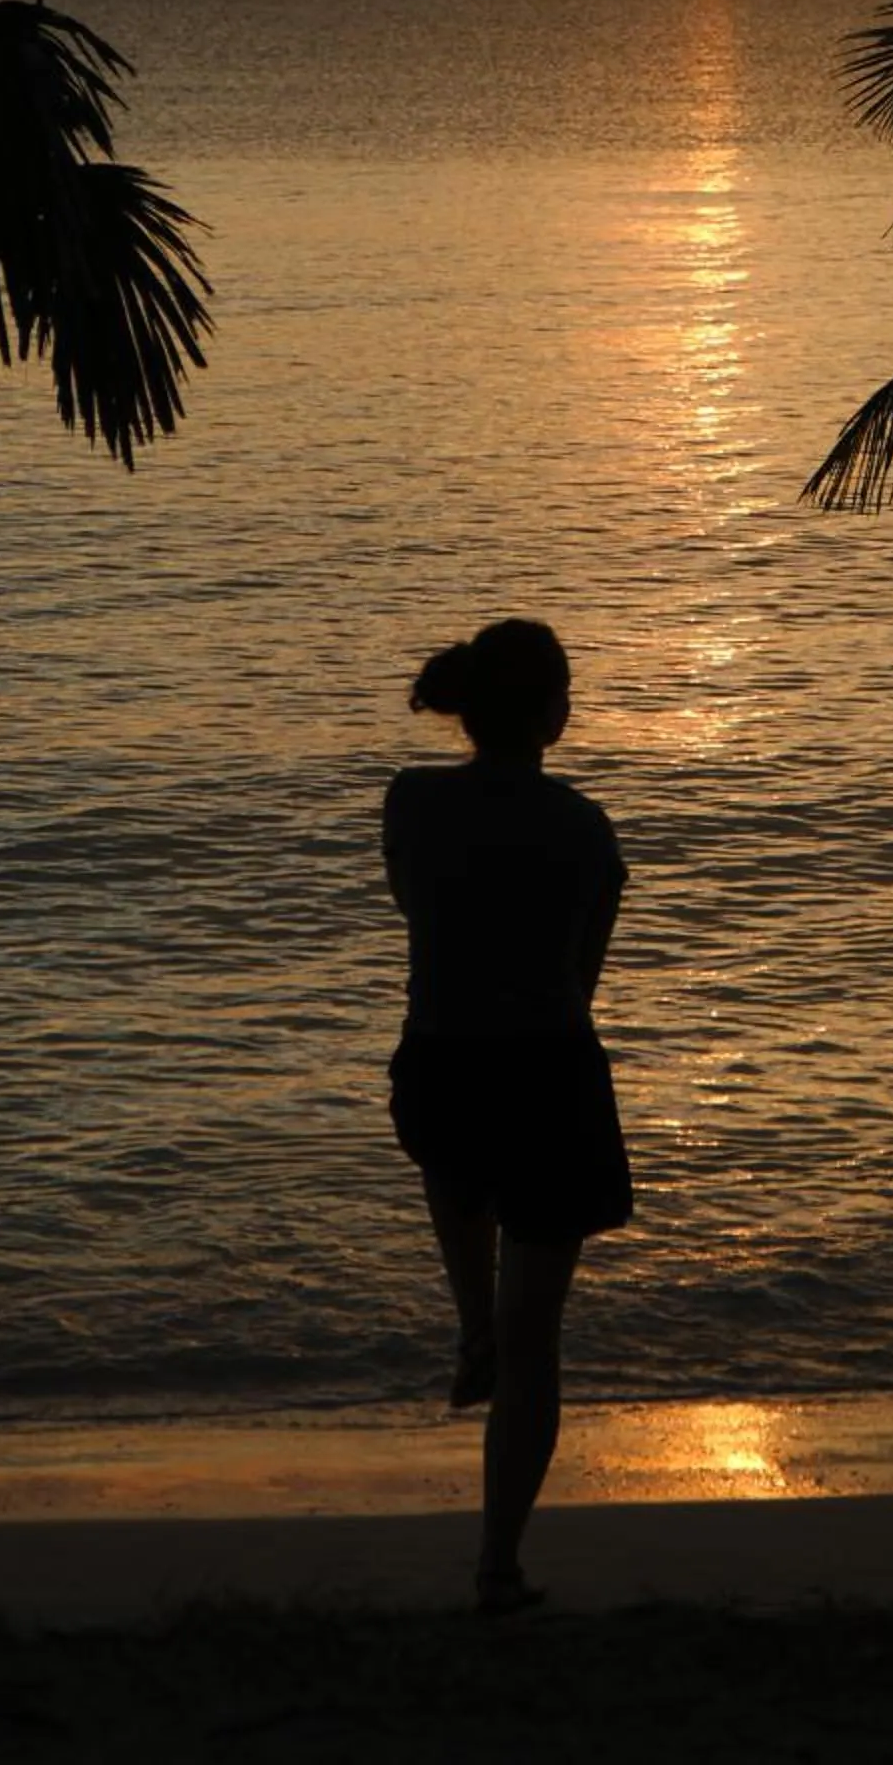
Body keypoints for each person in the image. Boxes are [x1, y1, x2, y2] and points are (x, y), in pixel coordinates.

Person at [383, 617, 631, 1614]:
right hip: (544, 1077)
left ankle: (469, 1323)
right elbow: (580, 980)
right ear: (553, 717)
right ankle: (497, 1566)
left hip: (440, 1069)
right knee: (538, 1343)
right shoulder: (584, 829)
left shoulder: (410, 803)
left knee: (451, 1156)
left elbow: (417, 912)